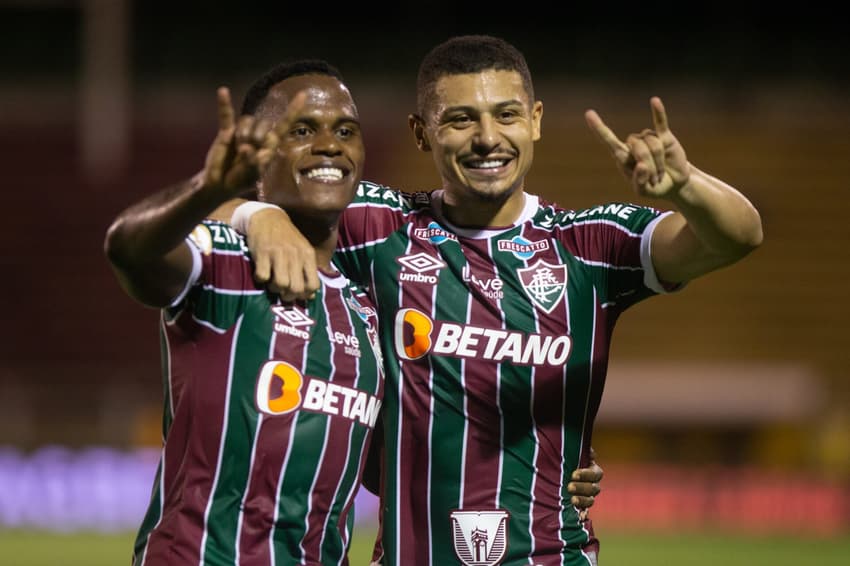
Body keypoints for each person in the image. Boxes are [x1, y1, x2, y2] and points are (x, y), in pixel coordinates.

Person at [241, 35, 756, 565]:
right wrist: (261, 216)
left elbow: (737, 237)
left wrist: (685, 186)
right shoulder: (378, 226)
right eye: (461, 120)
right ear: (421, 133)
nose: (488, 138)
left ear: (534, 120)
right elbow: (243, 192)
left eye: (506, 115)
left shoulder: (587, 245)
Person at [104, 60, 386, 565]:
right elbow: (129, 250)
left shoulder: (364, 309)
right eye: (302, 130)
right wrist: (214, 193)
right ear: (259, 160)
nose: (330, 144)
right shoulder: (225, 261)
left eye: (346, 130)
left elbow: (377, 470)